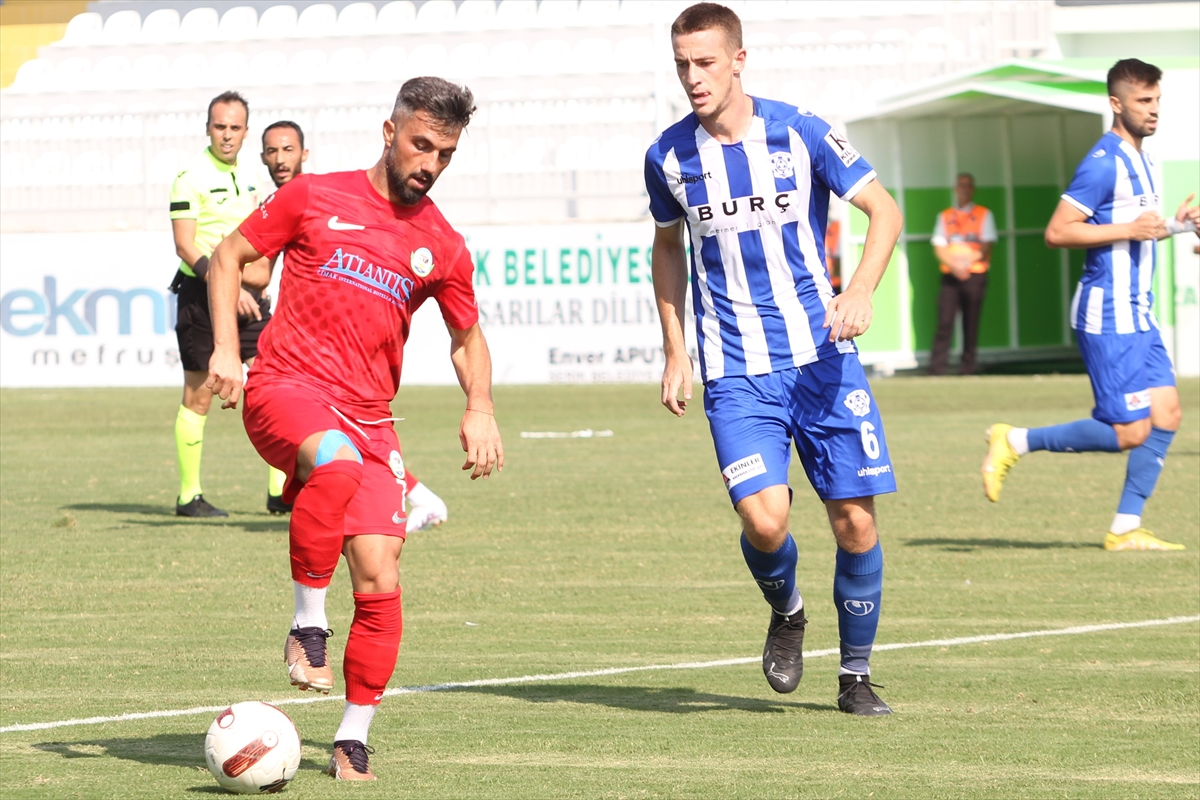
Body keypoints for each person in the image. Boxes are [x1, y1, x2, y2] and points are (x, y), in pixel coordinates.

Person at [206, 77, 502, 781]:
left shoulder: (443, 245)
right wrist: (225, 348)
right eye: (421, 144)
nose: (430, 162)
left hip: (372, 420)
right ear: (389, 131)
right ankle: (308, 623)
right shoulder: (314, 196)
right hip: (287, 389)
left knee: (379, 575)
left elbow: (466, 336)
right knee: (333, 463)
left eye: (446, 153)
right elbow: (227, 259)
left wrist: (480, 404)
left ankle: (351, 738)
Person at [645, 3, 903, 715]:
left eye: (704, 62)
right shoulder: (668, 156)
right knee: (765, 521)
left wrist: (859, 289)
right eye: (682, 64)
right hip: (736, 372)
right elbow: (668, 248)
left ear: (737, 60)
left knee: (855, 522)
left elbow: (885, 210)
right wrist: (676, 351)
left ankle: (855, 677)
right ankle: (788, 611)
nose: (692, 78)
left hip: (823, 362)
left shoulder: (800, 129)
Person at [982, 58, 1199, 551]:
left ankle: (1124, 528)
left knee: (1166, 414)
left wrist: (1181, 224)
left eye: (1158, 100)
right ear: (1116, 103)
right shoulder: (1103, 162)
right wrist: (1130, 228)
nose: (1154, 110)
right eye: (1144, 101)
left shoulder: (1142, 158)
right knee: (1129, 431)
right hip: (1107, 312)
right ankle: (1014, 440)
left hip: (1137, 311)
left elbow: (1140, 228)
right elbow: (1058, 231)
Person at [260, 119, 450, 533]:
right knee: (307, 427)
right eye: (272, 152)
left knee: (335, 447)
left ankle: (416, 496)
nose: (280, 158)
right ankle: (289, 494)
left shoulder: (320, 196)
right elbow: (249, 265)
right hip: (284, 339)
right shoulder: (285, 200)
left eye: (288, 149)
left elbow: (255, 273)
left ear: (303, 154)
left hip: (335, 368)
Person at [168, 90, 289, 517]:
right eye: (220, 126)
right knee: (199, 397)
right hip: (202, 296)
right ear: (208, 128)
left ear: (245, 132)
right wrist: (228, 286)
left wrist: (255, 281)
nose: (227, 135)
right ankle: (189, 496)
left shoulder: (255, 178)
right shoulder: (190, 177)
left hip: (251, 298)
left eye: (235, 128)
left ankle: (281, 493)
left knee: (270, 388)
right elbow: (185, 245)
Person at [928, 172, 997, 376]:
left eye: (968, 185)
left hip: (974, 275)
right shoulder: (945, 216)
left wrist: (966, 263)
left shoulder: (984, 214)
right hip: (951, 276)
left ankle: (967, 368)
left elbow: (986, 244)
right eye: (961, 185)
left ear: (973, 189)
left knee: (971, 323)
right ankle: (936, 369)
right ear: (955, 189)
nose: (964, 188)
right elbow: (939, 246)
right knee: (945, 322)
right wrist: (954, 265)